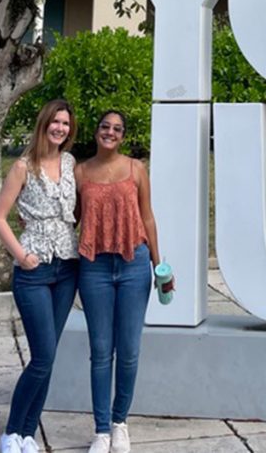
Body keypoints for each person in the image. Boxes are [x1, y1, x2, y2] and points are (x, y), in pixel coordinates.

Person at [0, 99, 80, 453]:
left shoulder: (71, 163)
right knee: (42, 357)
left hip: (67, 267)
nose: (60, 128)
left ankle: (28, 434)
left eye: (66, 123)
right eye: (55, 122)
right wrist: (21, 255)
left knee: (50, 356)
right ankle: (10, 432)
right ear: (44, 124)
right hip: (34, 271)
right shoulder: (23, 167)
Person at [75, 111, 163, 453]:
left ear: (123, 137)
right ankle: (100, 430)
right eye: (104, 127)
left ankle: (119, 423)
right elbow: (71, 219)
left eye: (117, 129)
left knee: (128, 352)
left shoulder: (136, 169)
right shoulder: (81, 172)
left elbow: (148, 217)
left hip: (133, 265)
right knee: (100, 352)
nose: (109, 132)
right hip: (94, 267)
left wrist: (159, 266)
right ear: (96, 132)